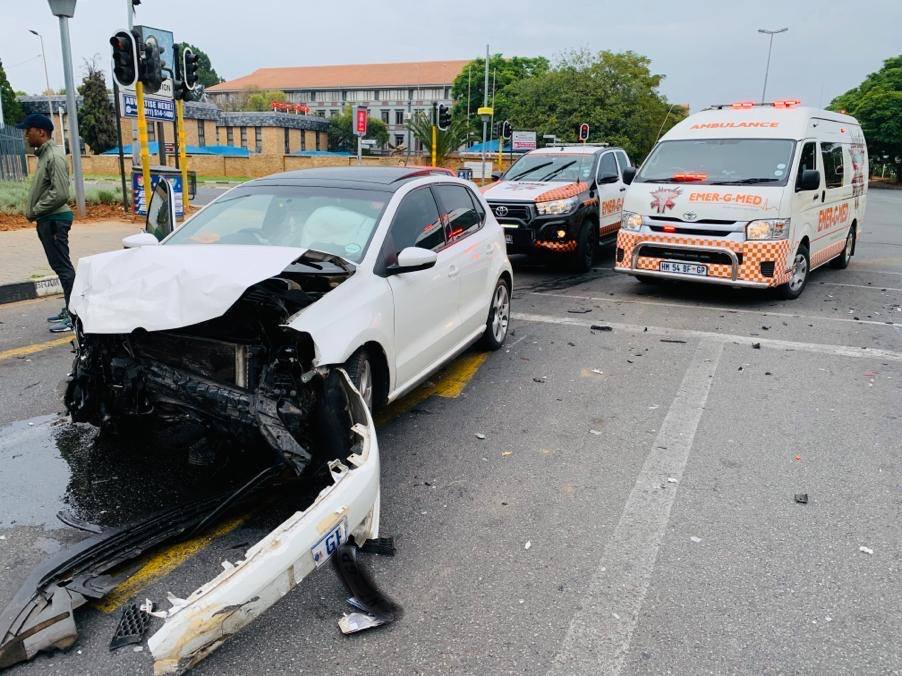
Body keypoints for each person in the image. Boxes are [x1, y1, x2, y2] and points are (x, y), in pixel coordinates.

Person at [17, 113, 75, 333]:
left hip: (54, 220)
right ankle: (71, 309)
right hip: (49, 220)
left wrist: (35, 210)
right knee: (61, 267)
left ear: (41, 132)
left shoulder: (54, 156)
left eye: (28, 130)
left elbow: (60, 193)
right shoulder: (44, 155)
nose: (25, 135)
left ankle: (74, 315)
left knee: (64, 268)